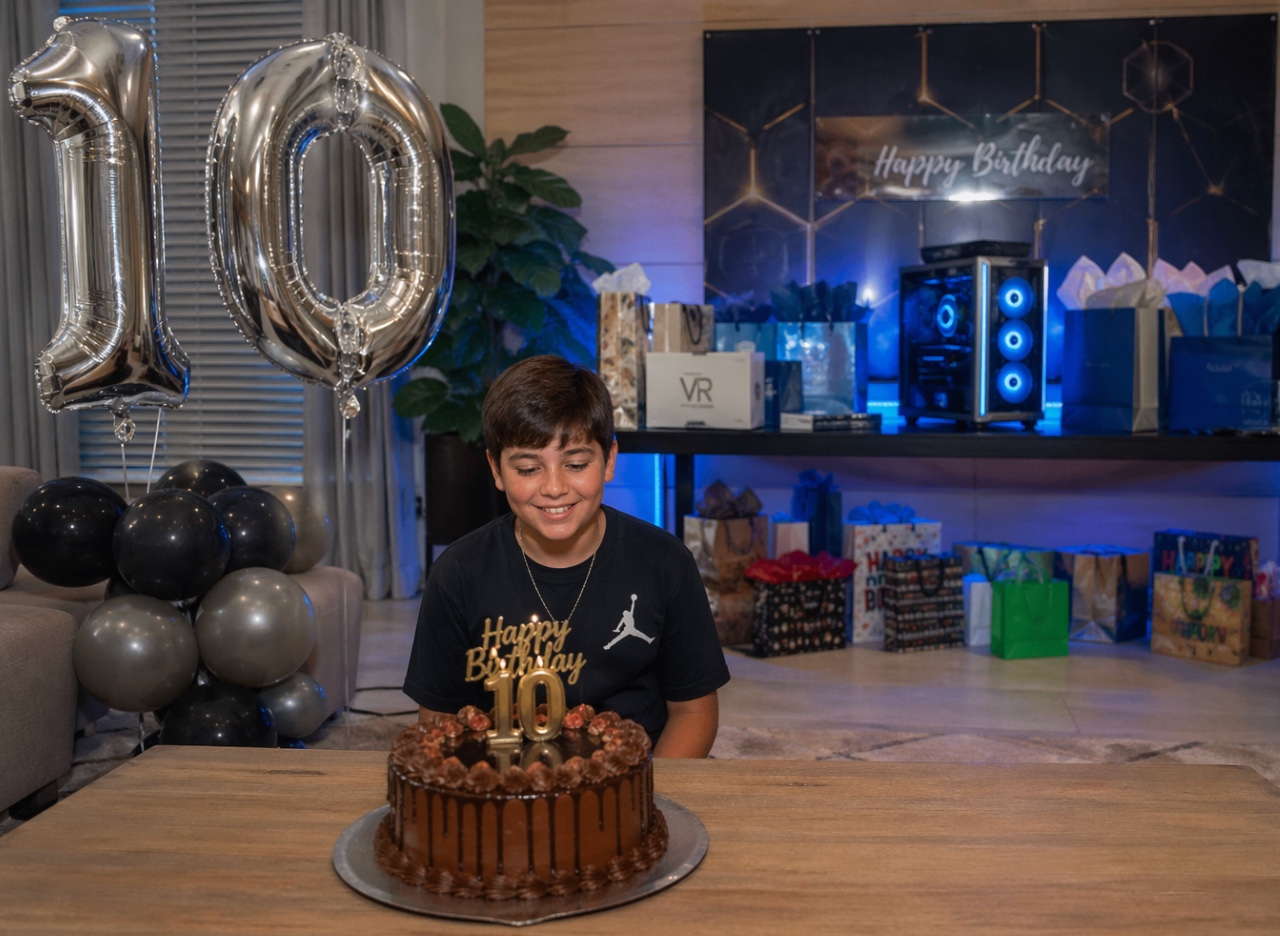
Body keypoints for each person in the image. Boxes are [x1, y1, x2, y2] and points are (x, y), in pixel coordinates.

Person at [403, 355, 730, 757]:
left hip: (637, 775)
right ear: (496, 469)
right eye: (528, 469)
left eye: (575, 464)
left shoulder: (666, 563)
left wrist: (648, 789)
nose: (555, 488)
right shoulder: (457, 574)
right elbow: (438, 727)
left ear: (609, 460)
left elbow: (694, 712)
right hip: (504, 782)